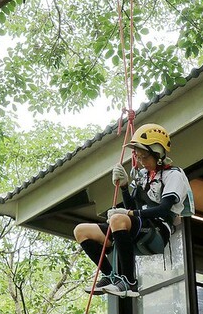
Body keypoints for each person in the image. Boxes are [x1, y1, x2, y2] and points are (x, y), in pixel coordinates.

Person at [74, 123, 193, 298]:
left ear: (158, 155)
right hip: (139, 227)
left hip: (158, 231)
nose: (140, 162)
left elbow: (163, 209)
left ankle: (129, 282)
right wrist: (123, 187)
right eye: (138, 157)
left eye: (144, 157)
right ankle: (111, 276)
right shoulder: (143, 176)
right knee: (81, 231)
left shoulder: (173, 175)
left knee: (118, 219)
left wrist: (128, 214)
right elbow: (132, 207)